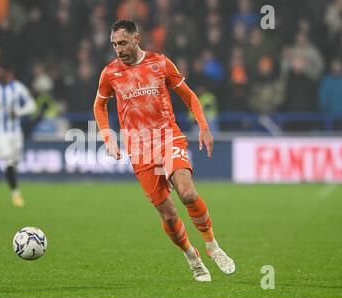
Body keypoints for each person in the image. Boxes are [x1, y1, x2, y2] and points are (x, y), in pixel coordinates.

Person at [93, 20, 235, 282]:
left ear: (137, 39)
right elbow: (99, 106)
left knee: (188, 193)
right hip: (139, 149)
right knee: (168, 214)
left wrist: (203, 126)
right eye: (114, 44)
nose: (118, 49)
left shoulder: (160, 63)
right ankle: (192, 257)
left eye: (122, 43)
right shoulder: (110, 73)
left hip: (168, 137)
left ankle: (213, 247)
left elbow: (189, 95)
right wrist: (107, 137)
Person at [0, 61, 36, 207]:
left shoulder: (18, 88)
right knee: (9, 162)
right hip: (0, 133)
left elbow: (32, 106)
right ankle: (16, 194)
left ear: (8, 73)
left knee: (15, 163)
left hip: (16, 133)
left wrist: (18, 112)